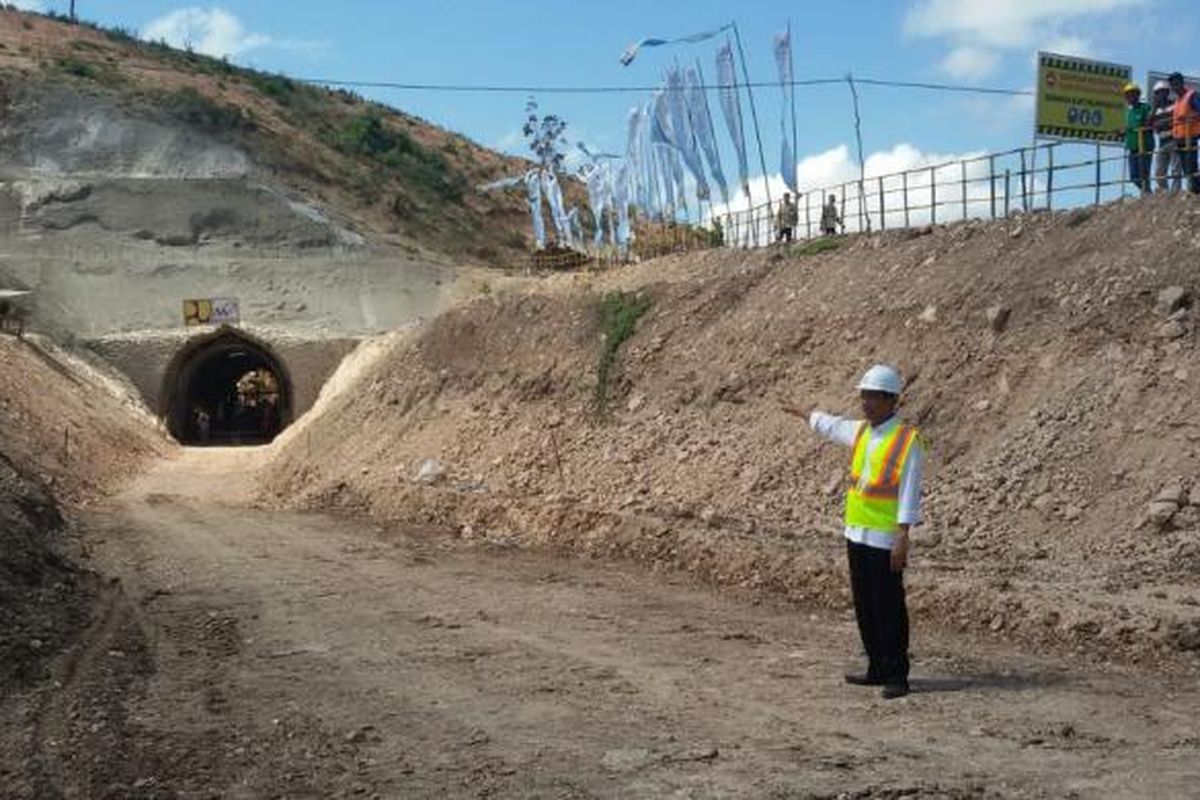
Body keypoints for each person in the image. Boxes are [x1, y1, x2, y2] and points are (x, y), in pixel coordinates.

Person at [782, 364, 926, 700]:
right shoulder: (862, 432)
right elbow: (832, 426)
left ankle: (896, 674)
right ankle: (876, 667)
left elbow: (909, 490)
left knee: (888, 606)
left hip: (884, 538)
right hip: (857, 533)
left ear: (892, 400)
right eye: (864, 396)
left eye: (873, 397)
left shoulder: (907, 441)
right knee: (865, 604)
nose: (866, 403)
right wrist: (806, 414)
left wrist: (902, 536)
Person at [1168, 72, 1200, 195]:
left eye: (1176, 83)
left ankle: (1196, 191)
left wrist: (1189, 117)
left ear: (1181, 82)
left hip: (1190, 136)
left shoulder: (1192, 96)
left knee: (1191, 165)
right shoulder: (1177, 101)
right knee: (1186, 167)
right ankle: (1195, 190)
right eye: (1172, 84)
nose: (1174, 86)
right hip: (1179, 138)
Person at [1149, 80, 1181, 194]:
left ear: (1167, 92)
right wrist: (1153, 108)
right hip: (1162, 141)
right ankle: (1164, 192)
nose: (1160, 95)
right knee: (1159, 171)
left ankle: (1175, 192)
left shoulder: (1174, 105)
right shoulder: (1155, 110)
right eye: (1157, 93)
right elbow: (1148, 123)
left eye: (1162, 92)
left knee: (1175, 169)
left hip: (1174, 140)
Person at [1123, 82, 1152, 196]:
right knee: (1134, 176)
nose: (1130, 97)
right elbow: (1130, 127)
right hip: (1133, 146)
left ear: (1137, 95)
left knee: (1144, 173)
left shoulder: (1145, 107)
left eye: (1132, 94)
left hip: (1144, 145)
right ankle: (1147, 193)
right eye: (1127, 95)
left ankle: (1146, 193)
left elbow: (1149, 123)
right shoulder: (1129, 112)